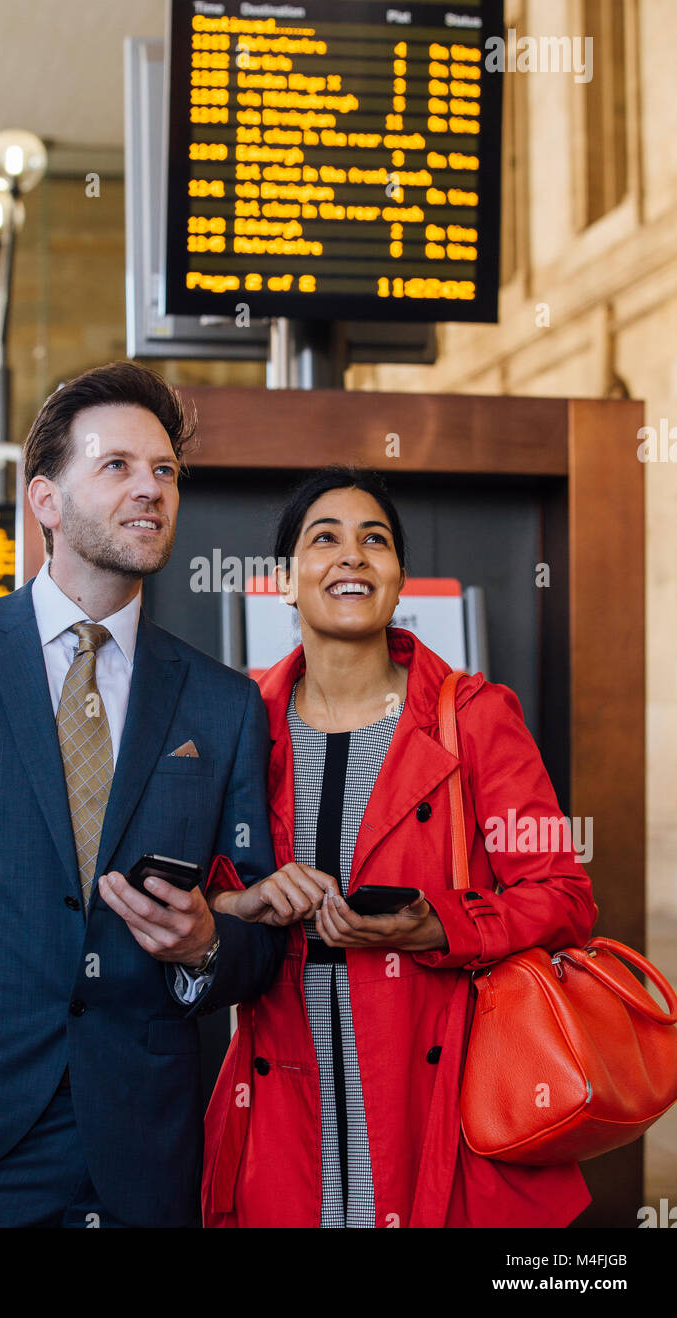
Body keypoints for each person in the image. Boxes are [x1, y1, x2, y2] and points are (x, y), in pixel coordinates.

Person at [0, 361, 285, 1228]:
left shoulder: (223, 703)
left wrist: (211, 941)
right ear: (45, 501)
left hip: (144, 1157)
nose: (151, 489)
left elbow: (260, 936)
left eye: (166, 471)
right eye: (118, 467)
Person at [202, 466, 597, 1229]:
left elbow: (565, 898)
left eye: (373, 540)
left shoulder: (478, 718)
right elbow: (211, 900)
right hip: (283, 1116)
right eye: (326, 539)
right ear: (286, 583)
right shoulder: (240, 726)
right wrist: (236, 903)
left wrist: (440, 925)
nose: (351, 556)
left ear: (398, 578)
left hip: (439, 1110)